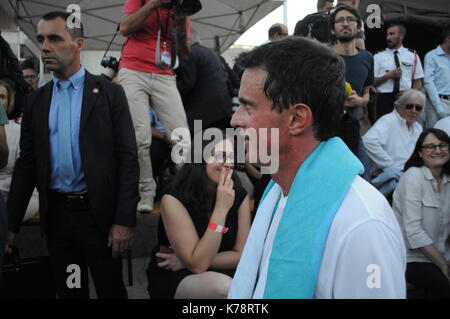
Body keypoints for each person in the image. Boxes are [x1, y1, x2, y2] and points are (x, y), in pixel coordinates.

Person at [228, 37, 406, 299]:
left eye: (248, 106)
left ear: (297, 119)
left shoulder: (363, 226)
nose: (235, 120)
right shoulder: (279, 190)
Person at [5, 11, 139, 299]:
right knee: (71, 291)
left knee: (110, 290)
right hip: (58, 219)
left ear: (78, 43)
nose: (44, 47)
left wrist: (124, 220)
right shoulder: (36, 101)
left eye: (54, 38)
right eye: (41, 39)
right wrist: (11, 225)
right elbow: (27, 164)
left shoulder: (109, 94)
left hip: (99, 218)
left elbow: (128, 158)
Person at [147, 132, 251, 298]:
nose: (228, 163)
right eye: (220, 156)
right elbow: (198, 266)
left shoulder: (239, 194)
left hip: (219, 267)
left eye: (231, 157)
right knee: (224, 288)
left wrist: (186, 261)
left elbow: (241, 255)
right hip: (178, 275)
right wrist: (221, 209)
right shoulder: (174, 198)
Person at [119, 0, 191, 213]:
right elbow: (124, 28)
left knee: (182, 135)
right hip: (133, 69)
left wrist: (179, 24)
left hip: (164, 73)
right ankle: (145, 193)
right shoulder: (139, 1)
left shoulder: (180, 10)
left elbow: (185, 54)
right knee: (140, 138)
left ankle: (188, 190)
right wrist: (153, 4)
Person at [393, 128, 450, 298]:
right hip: (413, 258)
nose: (438, 150)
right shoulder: (413, 177)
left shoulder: (448, 179)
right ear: (420, 152)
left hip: (442, 255)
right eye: (430, 146)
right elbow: (414, 232)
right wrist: (443, 265)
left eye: (443, 145)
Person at [330, 4, 373, 180]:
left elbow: (367, 94)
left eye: (350, 20)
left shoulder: (367, 58)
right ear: (333, 30)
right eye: (340, 20)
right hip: (328, 128)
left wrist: (360, 101)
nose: (345, 23)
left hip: (354, 125)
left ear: (358, 26)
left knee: (364, 175)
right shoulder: (324, 57)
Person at [362, 89, 424, 196]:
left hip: (411, 176)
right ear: (400, 106)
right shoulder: (388, 121)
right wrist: (389, 166)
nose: (414, 111)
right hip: (392, 179)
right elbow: (368, 141)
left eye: (418, 108)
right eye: (409, 106)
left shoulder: (418, 128)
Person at [176, 29, 232, 135]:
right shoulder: (210, 52)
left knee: (202, 146)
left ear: (188, 39)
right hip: (222, 109)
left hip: (203, 114)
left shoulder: (189, 54)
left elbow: (186, 83)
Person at [0, 80, 39, 221]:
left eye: (2, 97)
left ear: (9, 101)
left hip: (16, 196)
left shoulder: (19, 131)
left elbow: (24, 175)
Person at [374, 24, 424, 119]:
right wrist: (388, 76)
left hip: (405, 98)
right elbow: (372, 82)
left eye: (392, 34)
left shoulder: (412, 55)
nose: (388, 37)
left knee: (405, 126)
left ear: (401, 36)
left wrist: (410, 93)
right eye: (387, 34)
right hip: (384, 99)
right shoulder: (378, 56)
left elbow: (418, 82)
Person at [424, 24, 450, 128]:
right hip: (437, 102)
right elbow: (428, 82)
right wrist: (439, 108)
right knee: (434, 137)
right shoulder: (431, 56)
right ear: (448, 38)